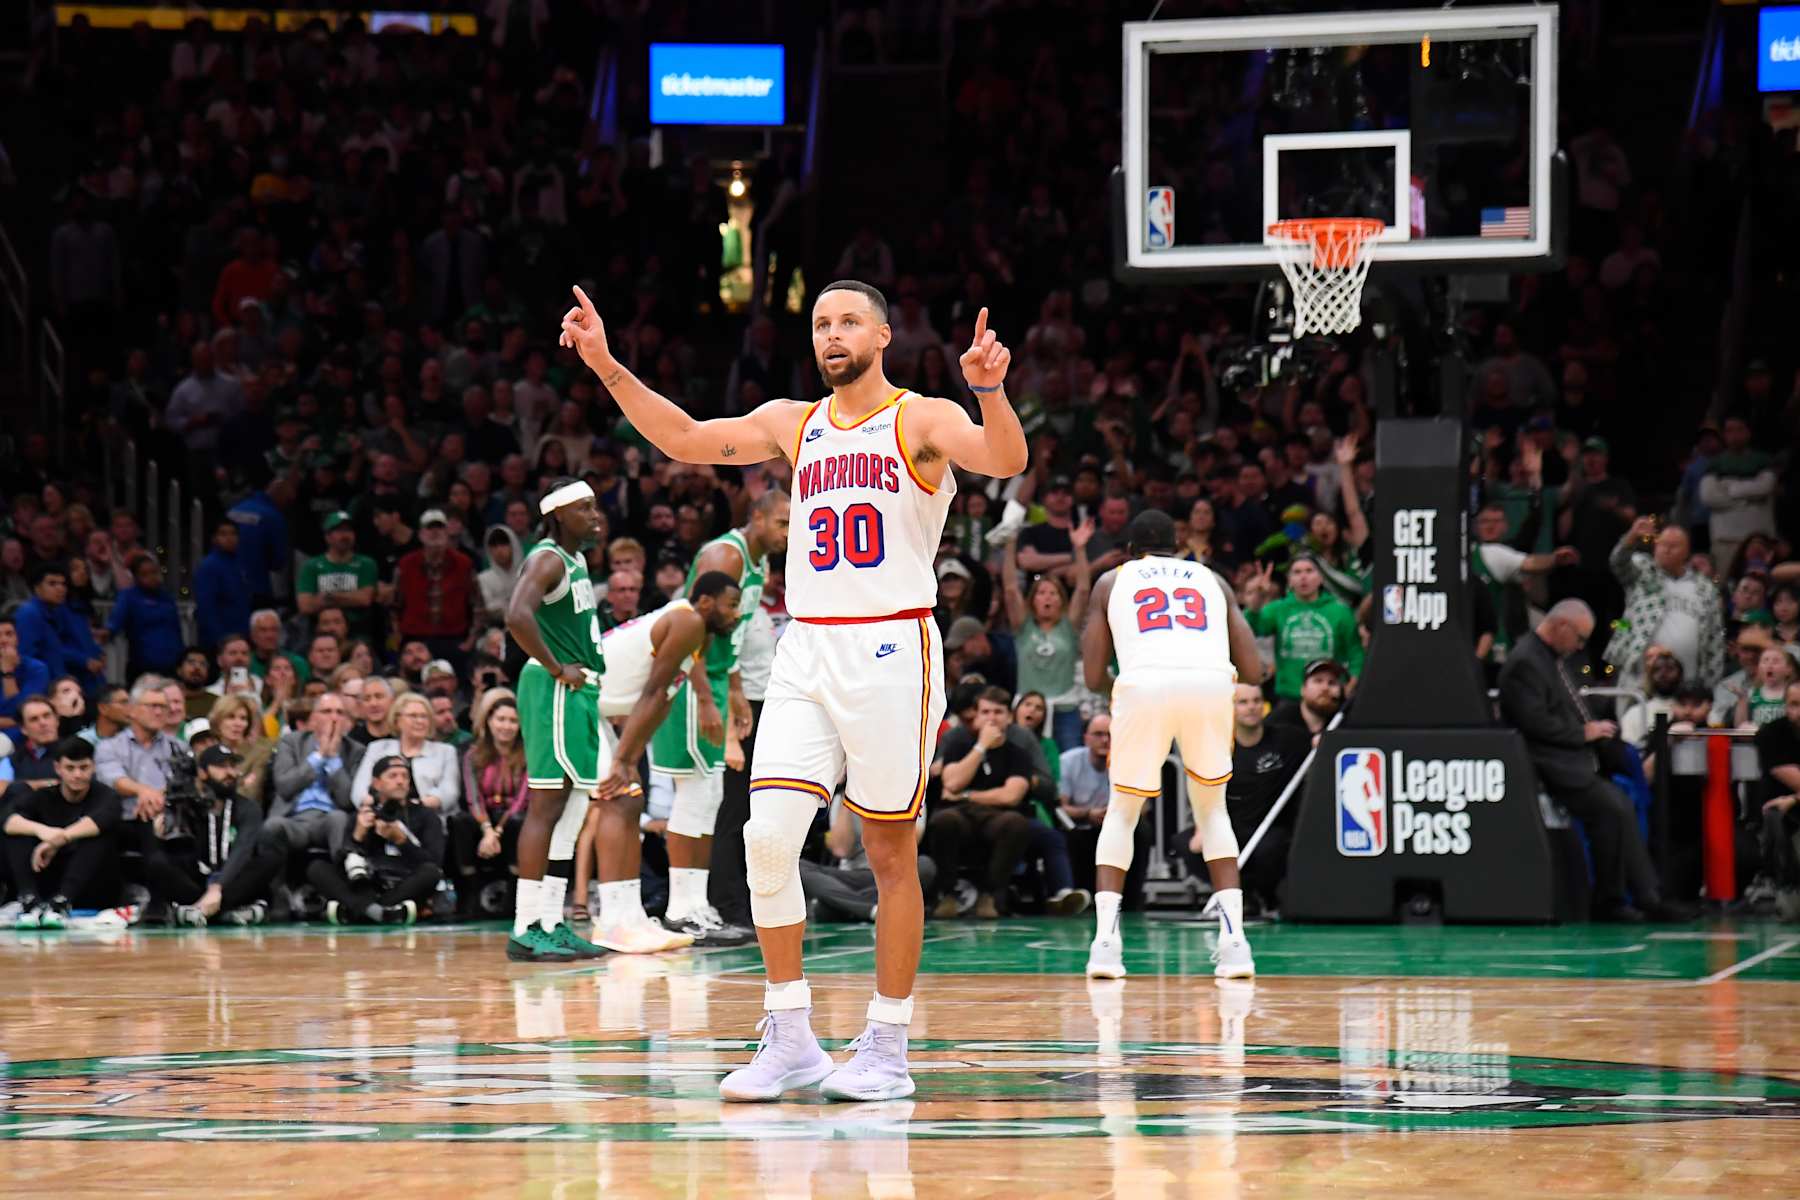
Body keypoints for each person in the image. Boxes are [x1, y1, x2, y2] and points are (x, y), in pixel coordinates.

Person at [561, 278, 1026, 1103]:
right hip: (808, 648)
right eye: (820, 323)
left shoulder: (919, 417)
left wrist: (988, 391)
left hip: (892, 646)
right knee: (768, 838)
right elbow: (685, 438)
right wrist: (604, 363)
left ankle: (886, 1045)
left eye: (849, 321)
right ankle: (791, 1036)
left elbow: (1004, 458)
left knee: (887, 851)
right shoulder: (794, 422)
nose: (832, 334)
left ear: (883, 336)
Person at [1081, 510, 1265, 980]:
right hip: (1208, 684)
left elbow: (1090, 673)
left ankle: (1105, 944)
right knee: (1213, 812)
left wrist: (1121, 694)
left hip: (1143, 684)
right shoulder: (1211, 579)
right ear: (1178, 544)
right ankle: (1235, 943)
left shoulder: (1111, 581)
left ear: (1129, 551)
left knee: (1122, 810)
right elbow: (1255, 669)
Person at [647, 492, 788, 944]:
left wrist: (734, 692)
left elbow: (732, 633)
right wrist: (710, 698)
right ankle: (686, 908)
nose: (789, 532)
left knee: (711, 798)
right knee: (700, 795)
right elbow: (692, 625)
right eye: (782, 523)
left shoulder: (759, 564)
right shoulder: (725, 555)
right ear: (758, 517)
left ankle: (700, 907)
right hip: (691, 681)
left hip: (719, 684)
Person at [1497, 601, 1695, 921]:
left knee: (1620, 804)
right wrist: (1583, 733)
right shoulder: (1525, 662)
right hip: (1546, 761)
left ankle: (1621, 897)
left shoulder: (1551, 659)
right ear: (1561, 626)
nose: (1580, 646)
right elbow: (1533, 722)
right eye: (1579, 637)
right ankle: (1641, 898)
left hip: (1570, 757)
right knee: (1614, 806)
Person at [595, 571, 747, 946]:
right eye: (731, 606)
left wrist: (629, 756)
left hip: (598, 703)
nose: (736, 615)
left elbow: (660, 702)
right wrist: (623, 758)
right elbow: (653, 691)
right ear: (707, 602)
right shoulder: (687, 620)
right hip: (576, 696)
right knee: (621, 799)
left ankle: (629, 916)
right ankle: (615, 920)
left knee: (629, 799)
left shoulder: (696, 630)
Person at [502, 476, 617, 962]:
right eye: (585, 508)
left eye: (596, 507)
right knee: (547, 805)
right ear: (559, 515)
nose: (596, 516)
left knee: (572, 810)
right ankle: (526, 924)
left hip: (578, 690)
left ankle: (552, 919)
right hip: (552, 687)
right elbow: (515, 615)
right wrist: (555, 666)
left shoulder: (576, 559)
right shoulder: (548, 558)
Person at [927, 686, 1038, 919]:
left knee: (1015, 823)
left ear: (1009, 717)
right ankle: (946, 893)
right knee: (944, 821)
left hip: (996, 815)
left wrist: (968, 795)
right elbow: (953, 782)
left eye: (998, 712)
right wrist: (982, 746)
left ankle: (990, 895)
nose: (991, 718)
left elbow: (1011, 795)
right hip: (959, 814)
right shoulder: (958, 745)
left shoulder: (1019, 754)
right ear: (975, 716)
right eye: (985, 712)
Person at [148, 744, 281, 927]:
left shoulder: (248, 808)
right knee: (156, 860)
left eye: (233, 766)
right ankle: (224, 912)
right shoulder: (185, 803)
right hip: (196, 881)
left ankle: (197, 912)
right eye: (221, 766)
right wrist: (158, 837)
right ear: (202, 773)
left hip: (230, 881)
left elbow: (243, 849)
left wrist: (217, 887)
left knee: (271, 856)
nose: (230, 773)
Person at [308, 755, 444, 925]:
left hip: (404, 882)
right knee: (317, 868)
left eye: (405, 776)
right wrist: (358, 836)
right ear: (376, 783)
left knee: (431, 873)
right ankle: (383, 912)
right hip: (368, 882)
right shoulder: (363, 815)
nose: (400, 781)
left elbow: (434, 863)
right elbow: (343, 863)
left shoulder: (427, 816)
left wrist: (402, 841)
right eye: (393, 776)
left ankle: (361, 911)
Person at [3, 738, 121, 928]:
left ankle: (62, 902)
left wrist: (59, 839)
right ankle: (28, 899)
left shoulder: (106, 795)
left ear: (93, 767)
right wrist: (44, 832)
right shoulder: (44, 796)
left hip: (91, 881)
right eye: (70, 768)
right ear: (58, 768)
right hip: (48, 874)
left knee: (99, 836)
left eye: (84, 768)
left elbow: (102, 820)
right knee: (17, 833)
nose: (77, 774)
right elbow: (8, 821)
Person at [1002, 518, 1094, 749]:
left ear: (1061, 601)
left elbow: (1083, 590)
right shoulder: (1023, 627)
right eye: (1042, 593)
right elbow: (1011, 589)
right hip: (1027, 710)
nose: (1048, 597)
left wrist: (1080, 549)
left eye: (1053, 593)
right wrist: (1010, 542)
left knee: (1068, 764)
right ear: (1032, 600)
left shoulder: (1068, 625)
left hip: (1064, 710)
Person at [1605, 517, 1725, 692]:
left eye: (1673, 546)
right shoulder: (1643, 569)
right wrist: (1631, 537)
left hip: (1687, 682)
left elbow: (1715, 636)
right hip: (1638, 678)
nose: (1666, 550)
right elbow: (1618, 562)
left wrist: (1711, 685)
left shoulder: (1705, 588)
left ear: (1687, 552)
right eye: (1662, 544)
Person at [262, 692, 365, 874]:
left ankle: (342, 890)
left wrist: (333, 759)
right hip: (293, 819)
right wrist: (318, 757)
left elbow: (348, 800)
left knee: (339, 818)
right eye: (327, 711)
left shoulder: (356, 751)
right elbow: (285, 786)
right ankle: (275, 895)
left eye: (340, 713)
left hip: (327, 820)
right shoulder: (292, 742)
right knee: (272, 826)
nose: (334, 718)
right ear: (314, 718)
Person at [1242, 554, 1362, 701]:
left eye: (1309, 571)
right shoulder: (1279, 608)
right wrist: (1258, 596)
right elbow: (1252, 627)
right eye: (1297, 572)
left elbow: (1356, 653)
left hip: (1328, 695)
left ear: (1321, 578)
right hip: (1289, 695)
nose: (1303, 577)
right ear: (1290, 580)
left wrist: (1352, 684)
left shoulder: (1340, 611)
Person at [450, 692, 528, 917]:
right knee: (460, 821)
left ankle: (514, 898)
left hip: (512, 818)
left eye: (513, 721)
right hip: (483, 818)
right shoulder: (473, 754)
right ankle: (470, 893)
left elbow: (522, 799)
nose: (507, 726)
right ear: (489, 722)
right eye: (501, 720)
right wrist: (487, 830)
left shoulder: (527, 755)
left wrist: (497, 831)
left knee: (518, 822)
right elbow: (473, 797)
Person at [347, 693, 461, 813]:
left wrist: (416, 806)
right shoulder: (377, 748)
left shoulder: (446, 751)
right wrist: (375, 806)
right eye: (413, 716)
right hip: (383, 814)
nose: (420, 721)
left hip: (429, 816)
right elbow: (359, 789)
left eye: (424, 716)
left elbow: (450, 791)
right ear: (397, 720)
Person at [15, 563, 105, 694]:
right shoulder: (29, 614)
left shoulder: (52, 613)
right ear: (37, 588)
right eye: (52, 584)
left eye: (63, 584)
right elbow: (23, 659)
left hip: (56, 688)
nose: (60, 589)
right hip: (38, 692)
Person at [1752, 680, 1800, 920]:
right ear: (1785, 705)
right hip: (1788, 819)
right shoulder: (1771, 734)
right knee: (1792, 914)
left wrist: (1793, 799)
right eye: (1794, 704)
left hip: (1792, 804)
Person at [296, 512, 379, 641]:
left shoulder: (366, 564)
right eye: (339, 531)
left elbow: (364, 599)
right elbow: (305, 606)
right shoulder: (311, 566)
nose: (345, 535)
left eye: (348, 530)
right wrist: (351, 597)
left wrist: (328, 596)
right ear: (327, 537)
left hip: (358, 632)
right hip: (320, 633)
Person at [1267, 659, 1345, 746]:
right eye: (1318, 681)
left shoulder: (1343, 721)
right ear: (1303, 689)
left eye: (1332, 683)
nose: (1325, 688)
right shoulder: (1280, 720)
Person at [0, 617, 51, 732]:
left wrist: (8, 672)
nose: (4, 640)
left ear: (17, 638)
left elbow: (20, 713)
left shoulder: (37, 669)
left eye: (9, 634)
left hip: (18, 733)